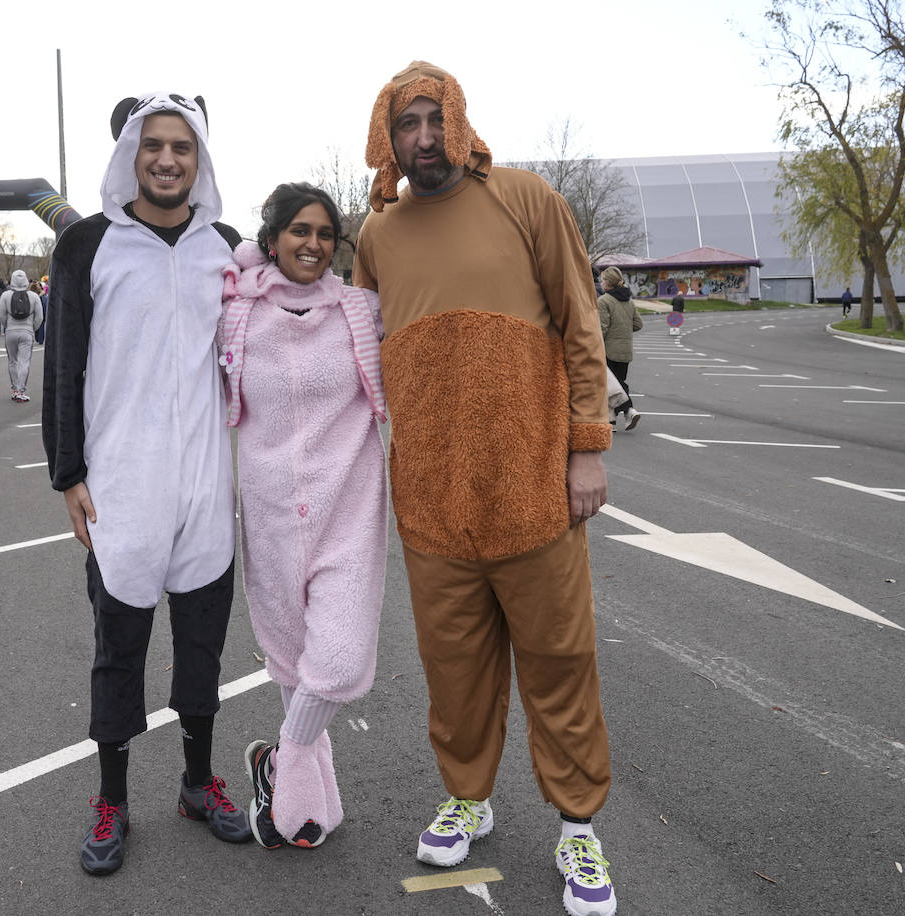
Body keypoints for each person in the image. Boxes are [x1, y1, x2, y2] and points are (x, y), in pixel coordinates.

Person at [353, 61, 617, 916]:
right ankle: (468, 795)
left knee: (560, 663)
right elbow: (348, 359)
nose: (423, 139)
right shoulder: (376, 236)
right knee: (454, 670)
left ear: (458, 121)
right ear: (386, 140)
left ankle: (578, 827)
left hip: (534, 487)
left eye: (435, 120)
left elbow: (582, 326)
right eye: (407, 126)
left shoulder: (527, 198)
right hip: (432, 502)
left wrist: (586, 449)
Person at [42, 90, 251, 877]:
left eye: (183, 147)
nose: (168, 159)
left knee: (202, 646)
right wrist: (69, 475)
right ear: (132, 151)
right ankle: (112, 800)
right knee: (118, 650)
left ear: (200, 160)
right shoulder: (87, 246)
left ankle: (198, 785)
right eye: (154, 145)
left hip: (205, 486)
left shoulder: (228, 247)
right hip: (121, 487)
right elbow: (62, 368)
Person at [222, 183, 388, 851]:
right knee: (291, 665)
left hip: (348, 513)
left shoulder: (359, 312)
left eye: (324, 232)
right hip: (267, 517)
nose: (313, 243)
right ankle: (307, 798)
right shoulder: (234, 313)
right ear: (271, 239)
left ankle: (280, 760)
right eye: (298, 230)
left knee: (340, 660)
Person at [598, 266, 642, 431]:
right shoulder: (629, 301)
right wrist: (623, 330)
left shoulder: (604, 301)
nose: (601, 283)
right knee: (616, 382)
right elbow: (638, 324)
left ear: (608, 283)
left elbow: (602, 328)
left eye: (603, 280)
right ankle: (611, 421)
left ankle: (629, 409)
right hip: (625, 350)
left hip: (609, 349)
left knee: (611, 385)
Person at [1, 269, 43, 402]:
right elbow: (40, 317)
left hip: (11, 332)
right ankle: (21, 390)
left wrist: (7, 327)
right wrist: (32, 328)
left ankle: (14, 388)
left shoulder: (6, 295)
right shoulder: (34, 296)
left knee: (12, 361)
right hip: (27, 331)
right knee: (24, 362)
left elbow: (1, 315)